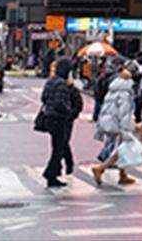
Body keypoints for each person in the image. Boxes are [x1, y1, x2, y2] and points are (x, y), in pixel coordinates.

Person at [89, 66, 138, 186]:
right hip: (118, 124)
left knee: (121, 148)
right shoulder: (125, 94)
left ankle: (122, 174)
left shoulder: (112, 91)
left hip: (109, 123)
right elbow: (124, 113)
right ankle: (100, 168)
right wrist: (126, 131)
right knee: (121, 149)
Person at [39, 58, 84, 188]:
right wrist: (68, 112)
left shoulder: (51, 81)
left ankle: (55, 172)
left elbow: (44, 98)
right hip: (59, 119)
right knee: (58, 149)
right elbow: (61, 104)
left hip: (49, 118)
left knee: (57, 147)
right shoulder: (62, 84)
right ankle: (51, 174)